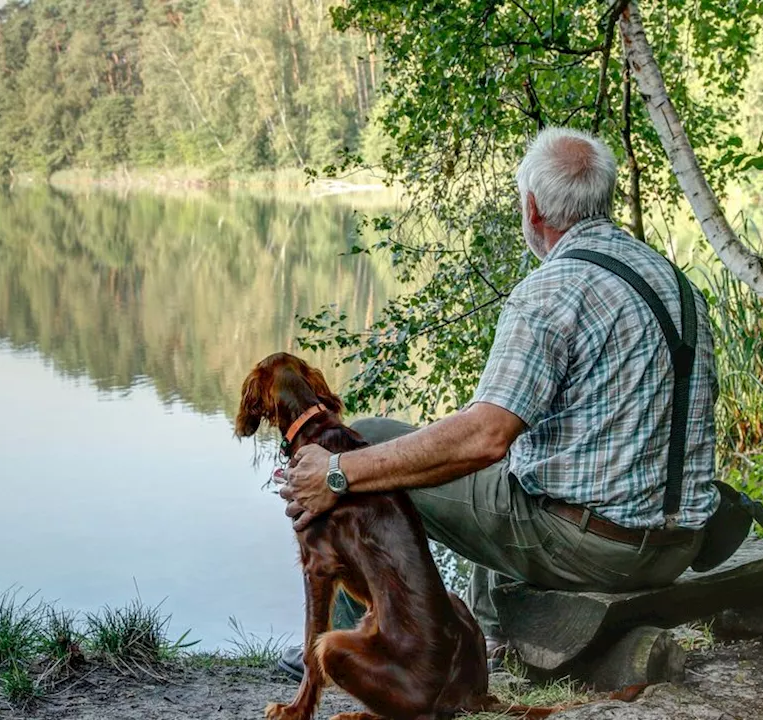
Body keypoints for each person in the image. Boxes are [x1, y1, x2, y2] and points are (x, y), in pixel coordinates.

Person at [276, 126, 720, 677]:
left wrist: (339, 472)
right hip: (679, 545)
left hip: (600, 552)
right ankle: (491, 635)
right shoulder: (677, 283)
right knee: (510, 467)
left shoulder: (552, 290)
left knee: (363, 441)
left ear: (533, 210)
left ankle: (359, 648)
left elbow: (484, 438)